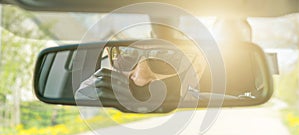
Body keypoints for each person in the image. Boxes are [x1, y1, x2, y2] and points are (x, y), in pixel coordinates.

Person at [75, 24, 207, 113]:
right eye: (127, 55)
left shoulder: (214, 107)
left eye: (164, 58)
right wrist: (87, 103)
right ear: (111, 59)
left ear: (197, 69)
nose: (140, 79)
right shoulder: (99, 100)